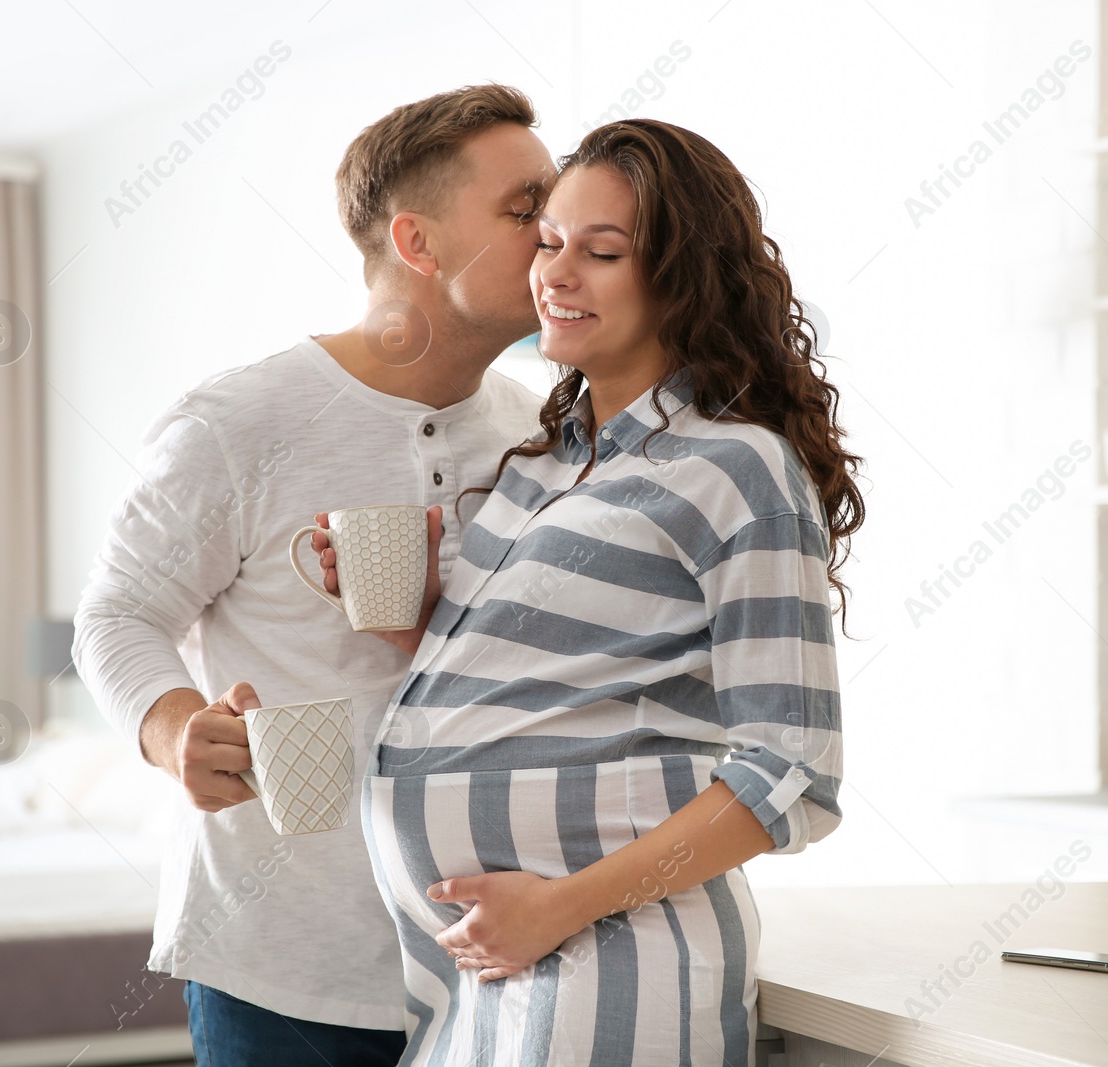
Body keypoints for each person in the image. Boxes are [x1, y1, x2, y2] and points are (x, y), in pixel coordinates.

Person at [317, 119, 863, 1066]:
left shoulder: (738, 469)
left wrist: (559, 906)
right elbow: (542, 696)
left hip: (614, 964)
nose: (557, 275)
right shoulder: (537, 470)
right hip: (474, 970)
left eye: (602, 252)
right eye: (550, 244)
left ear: (681, 278)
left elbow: (792, 768)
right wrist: (421, 630)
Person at [72, 84, 554, 1067]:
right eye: (523, 209)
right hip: (283, 970)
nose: (556, 235)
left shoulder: (543, 434)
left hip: (496, 961)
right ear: (417, 243)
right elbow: (117, 612)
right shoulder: (241, 423)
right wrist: (174, 732)